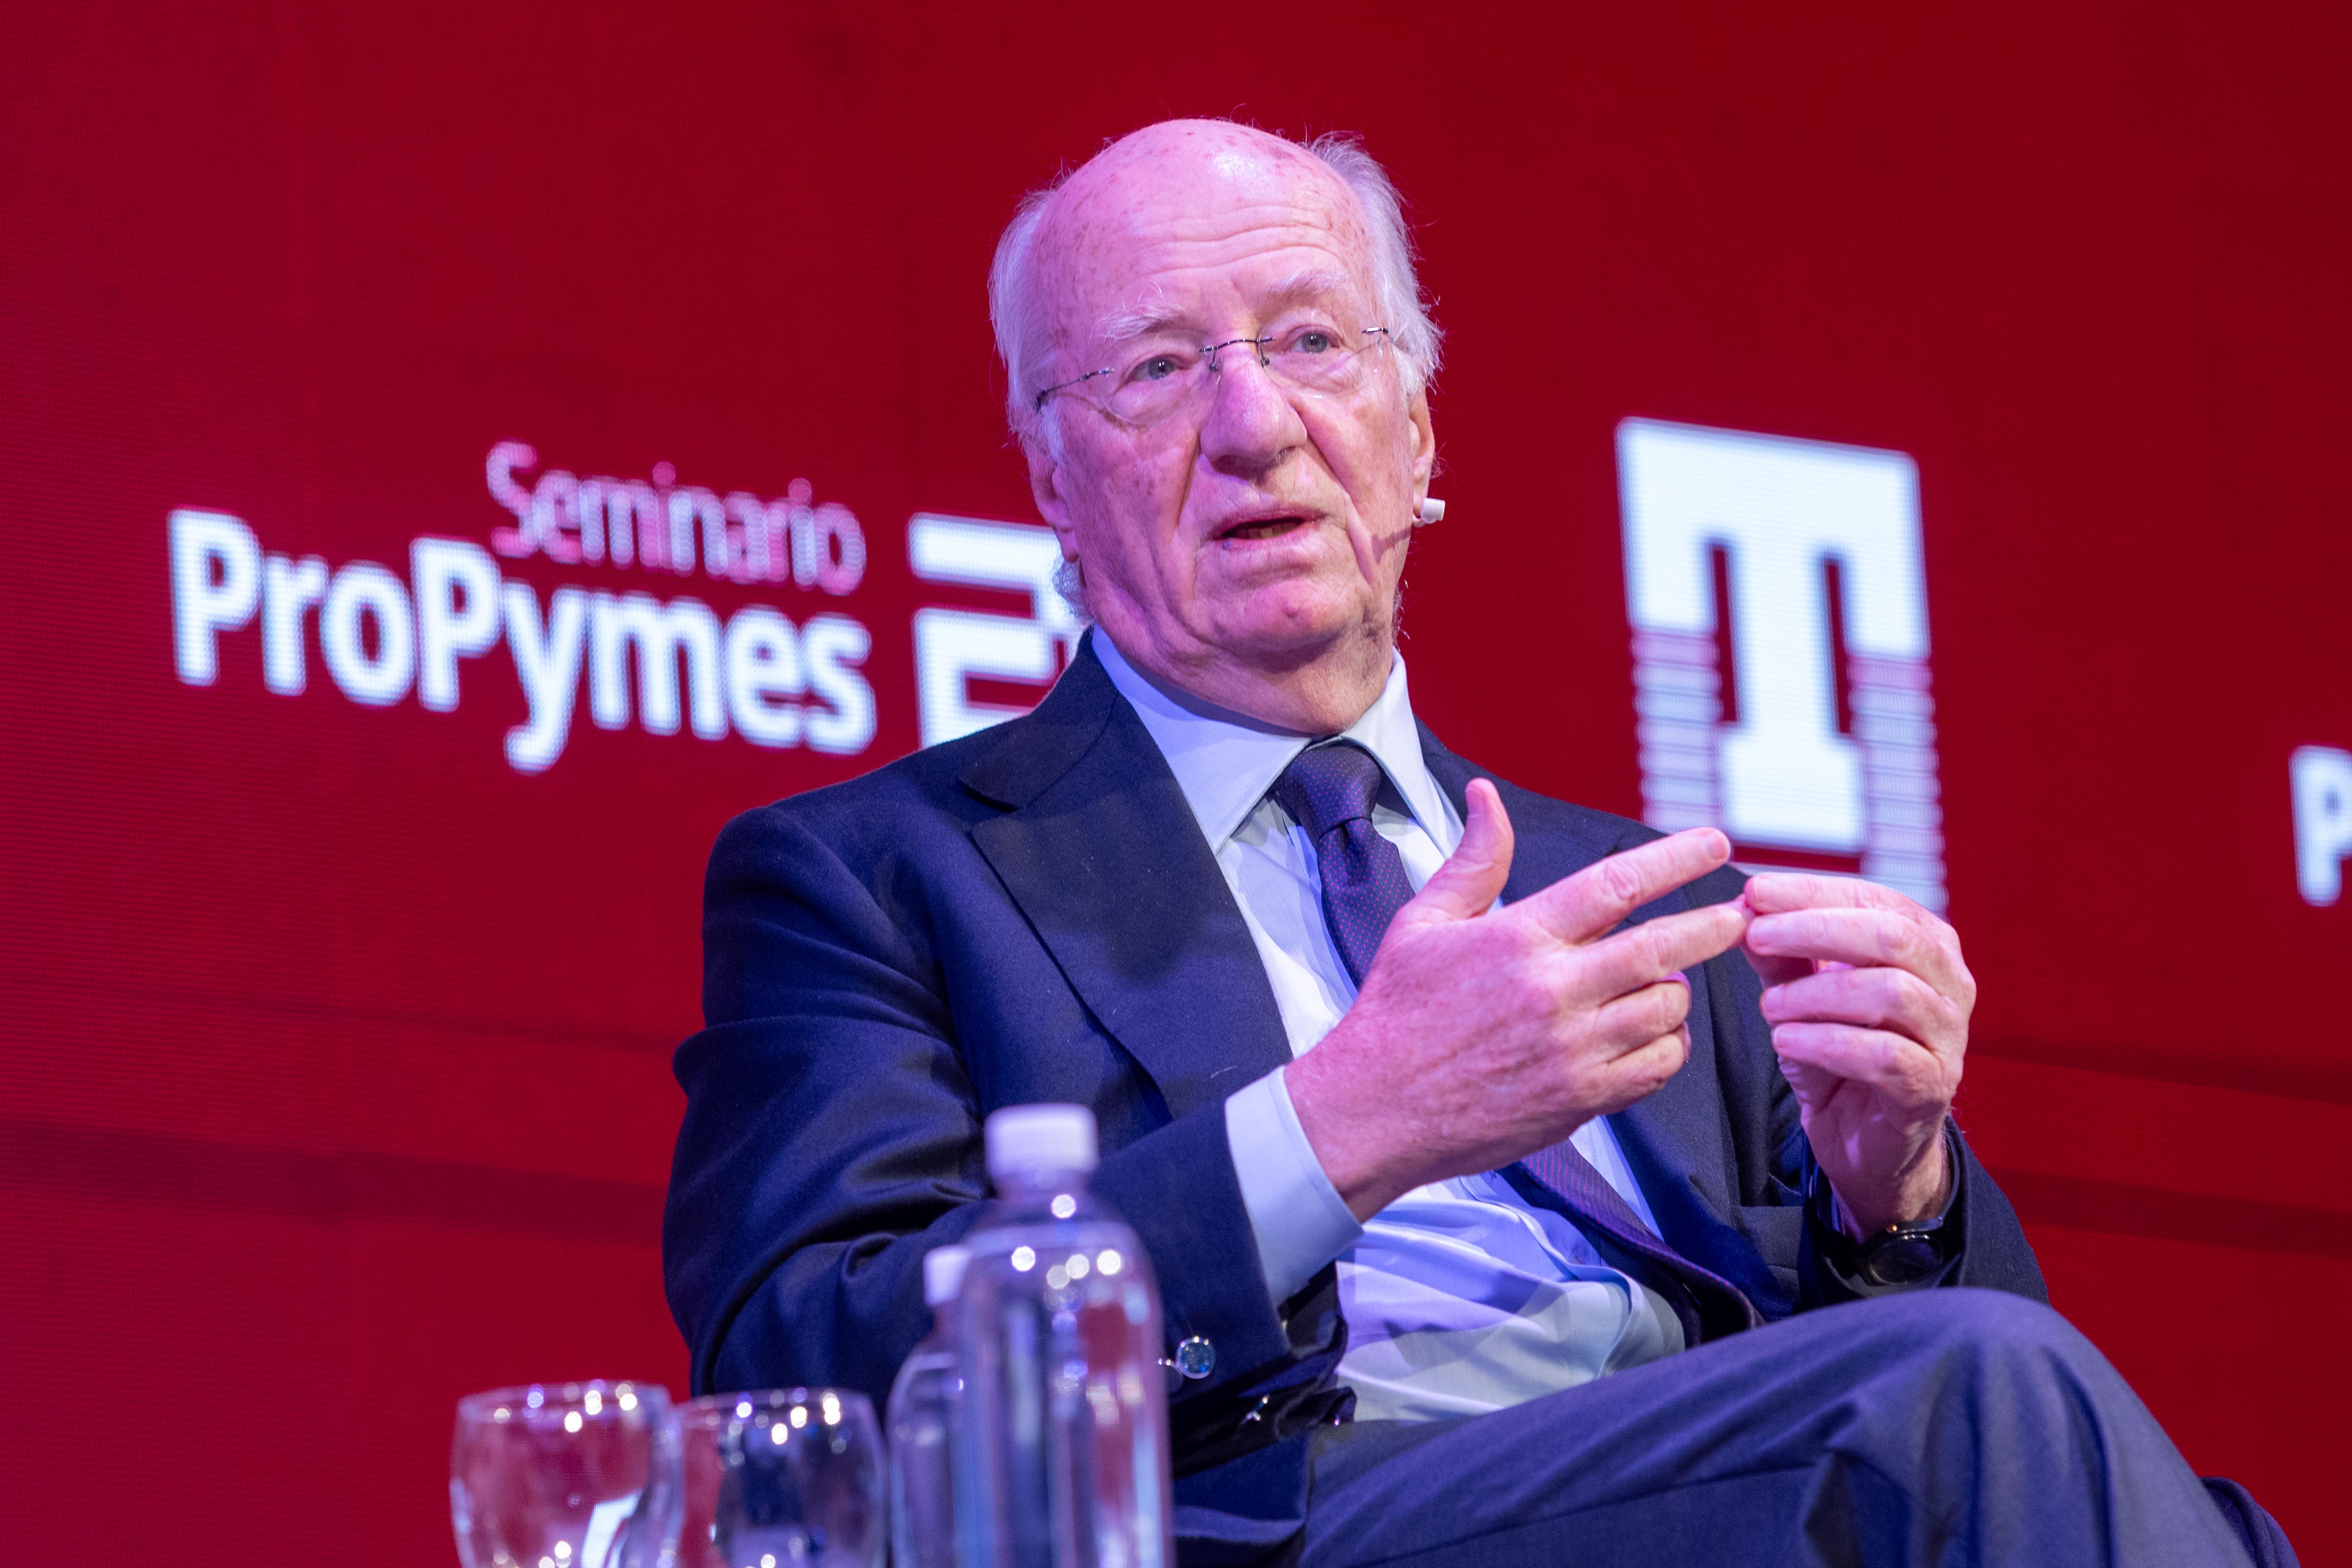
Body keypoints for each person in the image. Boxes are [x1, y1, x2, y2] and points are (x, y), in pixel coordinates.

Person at [663, 120, 2293, 1567]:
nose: (1253, 421)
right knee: (1978, 1394)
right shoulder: (883, 874)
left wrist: (1892, 1196)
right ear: (1049, 477)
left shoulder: (1643, 901)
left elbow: (1977, 1445)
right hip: (1282, 1517)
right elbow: (810, 1376)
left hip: (1694, 1499)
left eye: (1312, 341)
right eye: (1154, 370)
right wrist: (1344, 1127)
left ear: (1418, 432)